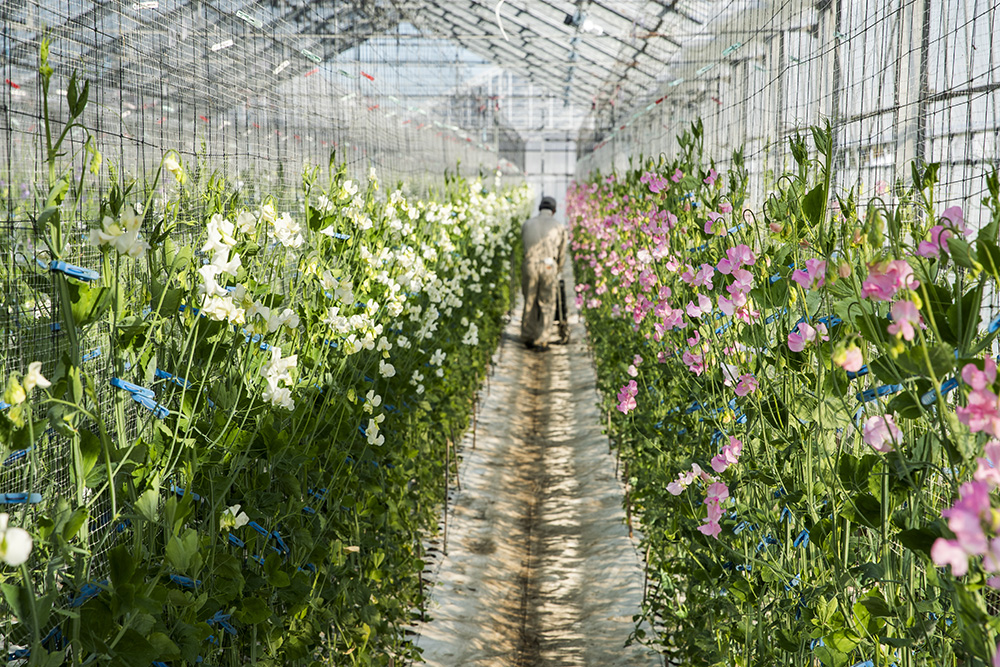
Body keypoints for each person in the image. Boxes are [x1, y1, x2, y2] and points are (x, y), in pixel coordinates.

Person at [520, 196, 567, 349]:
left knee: (529, 300)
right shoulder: (558, 226)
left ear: (540, 208)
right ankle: (542, 338)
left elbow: (524, 245)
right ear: (554, 211)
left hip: (530, 264)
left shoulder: (527, 224)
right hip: (548, 265)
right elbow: (562, 253)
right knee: (547, 303)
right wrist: (558, 269)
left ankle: (528, 334)